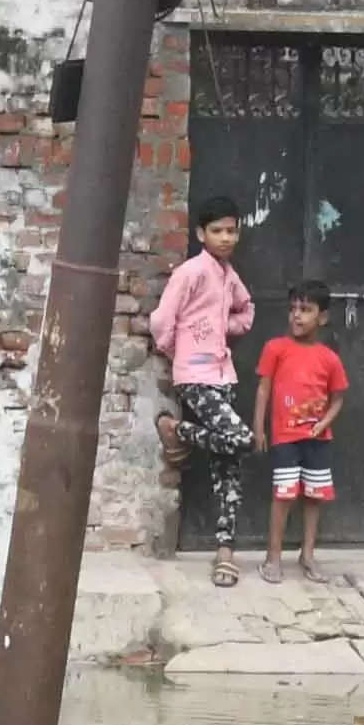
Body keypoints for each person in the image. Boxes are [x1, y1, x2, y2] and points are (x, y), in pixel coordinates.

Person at [145, 197, 258, 585]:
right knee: (242, 439)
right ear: (201, 234)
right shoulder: (191, 272)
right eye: (217, 231)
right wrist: (178, 350)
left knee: (228, 465)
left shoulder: (229, 275)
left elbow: (247, 310)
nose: (226, 238)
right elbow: (162, 319)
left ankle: (225, 551)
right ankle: (177, 429)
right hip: (194, 375)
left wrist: (226, 328)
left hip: (223, 375)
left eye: (232, 231)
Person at [258, 281, 348, 578]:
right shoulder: (275, 349)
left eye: (305, 310)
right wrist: (259, 428)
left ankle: (307, 555)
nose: (296, 316)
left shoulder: (330, 358)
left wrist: (324, 424)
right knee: (282, 496)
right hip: (285, 438)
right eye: (293, 309)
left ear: (322, 317)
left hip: (318, 441)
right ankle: (273, 558)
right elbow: (263, 390)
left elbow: (338, 399)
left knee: (314, 496)